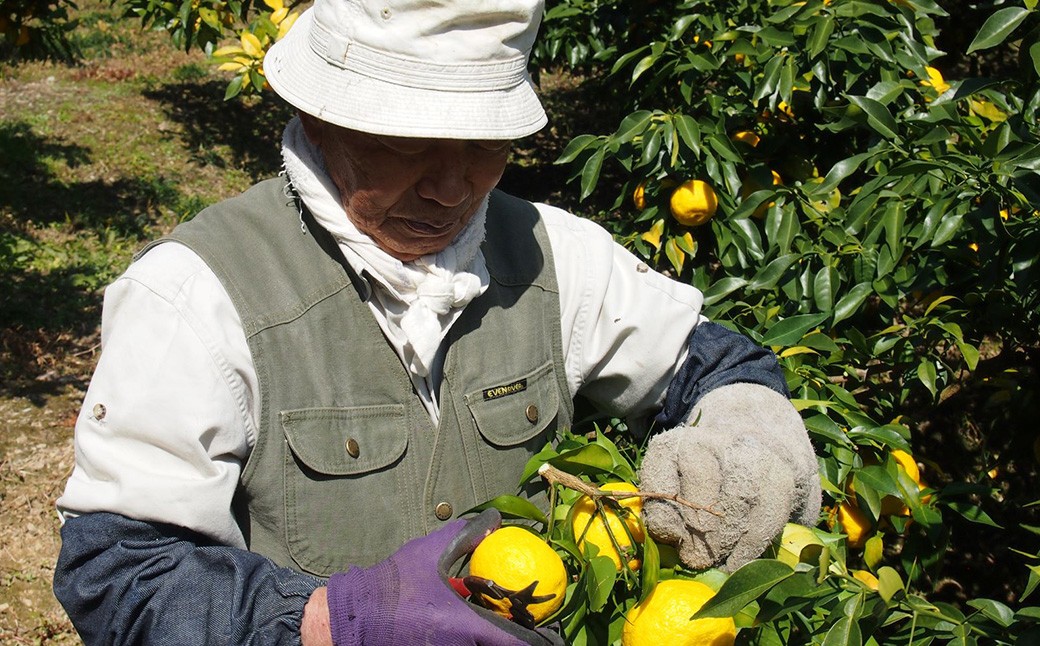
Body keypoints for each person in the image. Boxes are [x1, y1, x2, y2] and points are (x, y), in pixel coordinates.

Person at [52, 0, 822, 643]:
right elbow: (120, 571)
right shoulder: (197, 296)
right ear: (316, 119)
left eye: (486, 147)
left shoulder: (556, 256)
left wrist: (745, 431)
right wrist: (330, 624)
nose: (452, 186)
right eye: (408, 144)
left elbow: (710, 363)